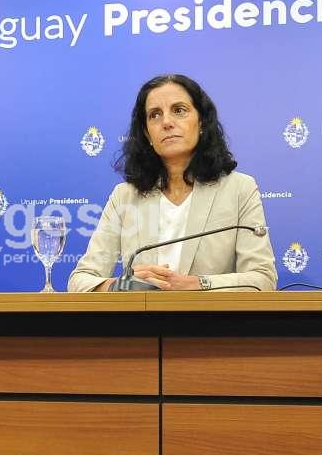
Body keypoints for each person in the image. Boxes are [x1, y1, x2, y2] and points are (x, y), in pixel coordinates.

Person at [68, 74, 277, 292]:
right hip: (140, 315)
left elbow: (262, 280)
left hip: (210, 314)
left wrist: (198, 284)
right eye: (155, 115)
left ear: (202, 122)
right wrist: (120, 286)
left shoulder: (239, 189)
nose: (166, 122)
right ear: (147, 134)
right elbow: (80, 280)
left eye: (179, 110)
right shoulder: (125, 196)